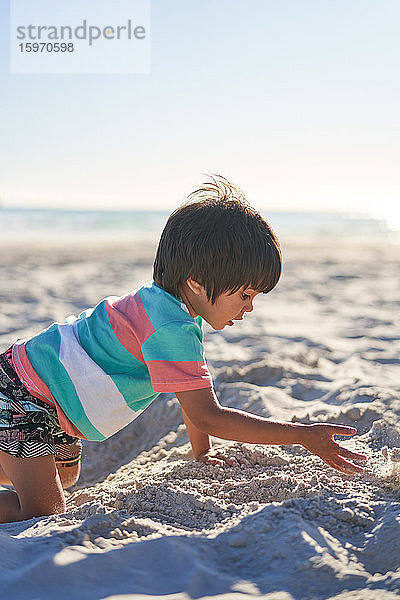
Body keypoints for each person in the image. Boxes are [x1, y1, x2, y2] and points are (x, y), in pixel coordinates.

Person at [0, 175, 366, 523]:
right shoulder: (171, 327)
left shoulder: (168, 308)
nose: (250, 307)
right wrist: (302, 436)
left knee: (64, 478)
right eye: (245, 294)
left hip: (49, 398)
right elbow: (208, 414)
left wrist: (202, 450)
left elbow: (189, 393)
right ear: (196, 282)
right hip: (24, 394)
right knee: (41, 512)